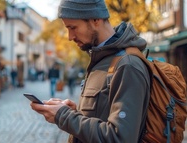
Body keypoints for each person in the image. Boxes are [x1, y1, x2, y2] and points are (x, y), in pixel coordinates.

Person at [29, 0, 151, 142]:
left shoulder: (127, 65)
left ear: (95, 19)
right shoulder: (101, 60)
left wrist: (64, 116)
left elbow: (119, 138)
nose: (70, 37)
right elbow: (101, 118)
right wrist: (76, 112)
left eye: (73, 27)